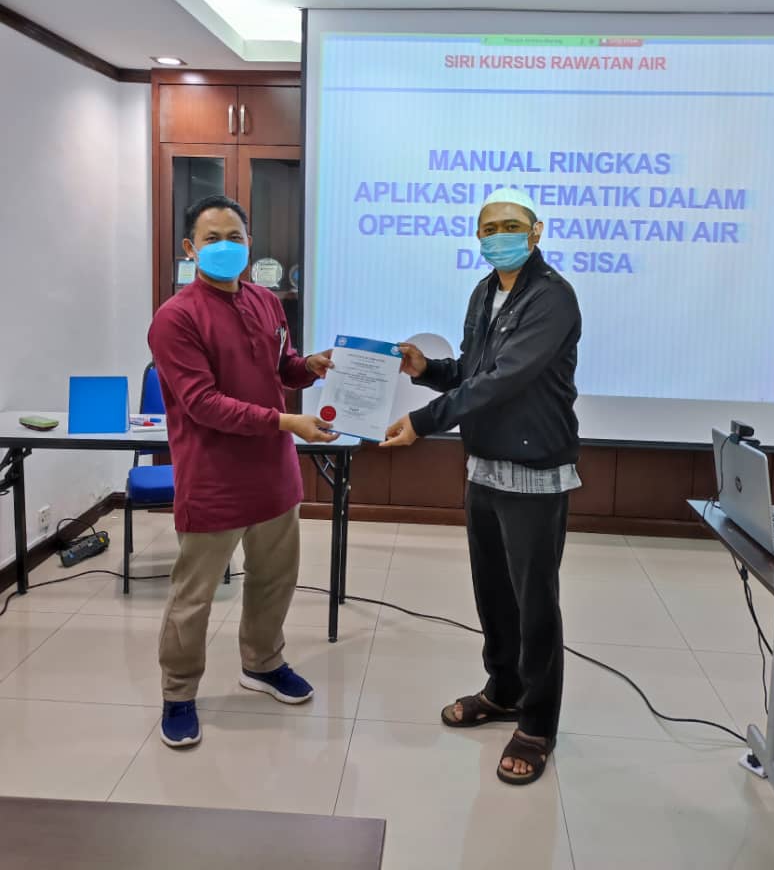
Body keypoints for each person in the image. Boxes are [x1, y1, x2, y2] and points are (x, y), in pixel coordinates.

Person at [382, 187, 581, 785]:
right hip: (484, 467)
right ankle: (504, 690)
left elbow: (503, 380)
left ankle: (537, 723)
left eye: (510, 225)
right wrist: (428, 371)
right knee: (493, 592)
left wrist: (423, 421)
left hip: (534, 472)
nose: (499, 236)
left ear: (536, 231)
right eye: (488, 227)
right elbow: (474, 371)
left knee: (534, 602)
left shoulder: (553, 298)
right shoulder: (484, 291)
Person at [148, 195, 337, 748]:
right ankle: (178, 692)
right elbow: (203, 404)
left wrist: (310, 366)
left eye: (235, 237)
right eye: (213, 239)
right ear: (191, 249)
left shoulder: (265, 300)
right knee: (194, 595)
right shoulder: (175, 318)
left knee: (275, 579)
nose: (226, 247)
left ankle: (262, 663)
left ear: (250, 244)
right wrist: (286, 421)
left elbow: (281, 368)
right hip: (214, 478)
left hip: (274, 472)